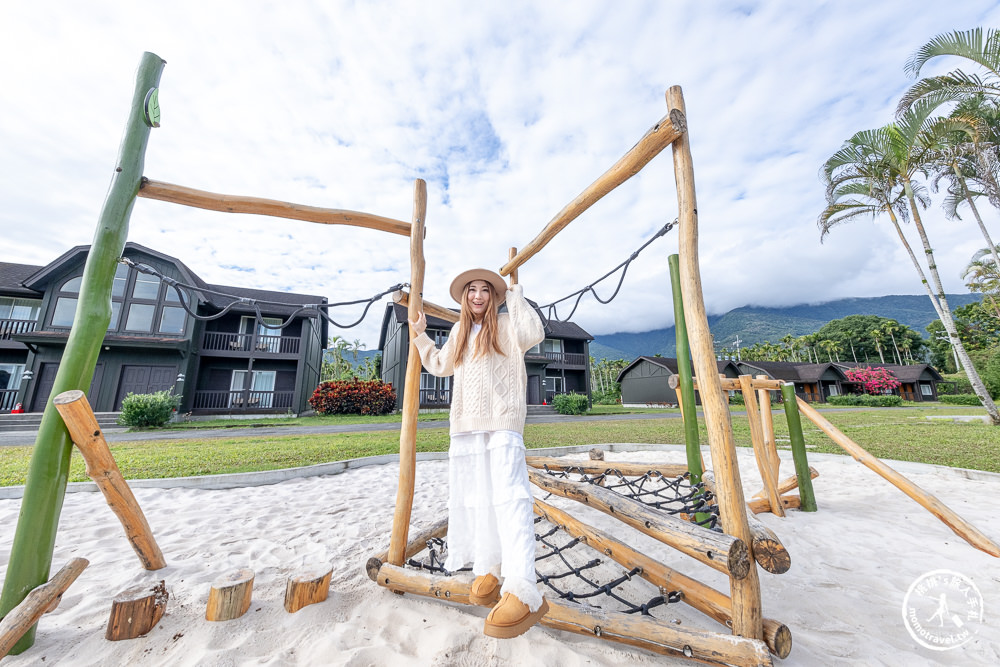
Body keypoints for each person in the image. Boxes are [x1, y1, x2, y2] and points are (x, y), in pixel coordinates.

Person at [409, 268, 548, 639]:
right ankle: (489, 566)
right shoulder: (458, 331)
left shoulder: (506, 324)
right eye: (471, 290)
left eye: (485, 289)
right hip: (466, 425)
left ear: (493, 297)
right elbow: (439, 365)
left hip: (503, 421)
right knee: (476, 498)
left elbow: (534, 333)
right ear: (464, 297)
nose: (477, 295)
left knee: (510, 498)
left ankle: (522, 588)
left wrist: (516, 292)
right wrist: (420, 336)